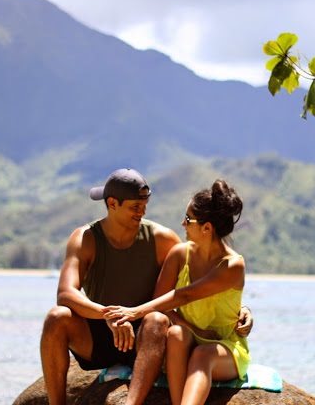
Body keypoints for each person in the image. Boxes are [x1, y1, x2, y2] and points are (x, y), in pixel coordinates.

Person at [40, 169, 253, 405]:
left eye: (144, 205)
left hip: (146, 337)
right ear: (112, 204)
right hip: (100, 331)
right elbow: (65, 294)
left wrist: (242, 310)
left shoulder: (163, 239)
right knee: (56, 317)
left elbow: (200, 285)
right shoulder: (85, 238)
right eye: (135, 206)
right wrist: (108, 315)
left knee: (157, 320)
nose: (142, 212)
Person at [103, 179, 249, 405]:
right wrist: (189, 328)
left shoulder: (232, 265)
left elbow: (185, 295)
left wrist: (133, 312)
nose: (183, 223)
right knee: (176, 334)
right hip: (187, 339)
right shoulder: (180, 254)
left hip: (223, 346)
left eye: (188, 219)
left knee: (202, 355)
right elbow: (161, 302)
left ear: (207, 228)